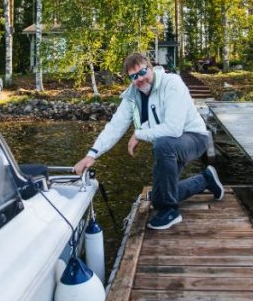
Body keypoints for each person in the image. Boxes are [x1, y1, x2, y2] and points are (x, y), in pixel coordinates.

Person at [73, 52, 223, 230]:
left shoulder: (172, 83)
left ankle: (171, 211)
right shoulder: (132, 95)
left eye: (142, 72)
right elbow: (115, 126)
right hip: (170, 144)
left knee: (162, 146)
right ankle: (205, 180)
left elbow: (173, 129)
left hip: (195, 138)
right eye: (133, 76)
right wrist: (92, 154)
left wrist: (139, 134)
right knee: (158, 198)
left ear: (150, 68)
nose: (139, 79)